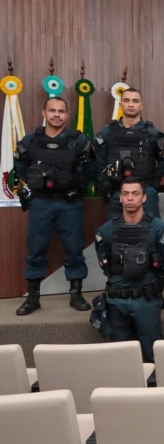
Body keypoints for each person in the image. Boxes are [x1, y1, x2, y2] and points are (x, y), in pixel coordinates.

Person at [14, 97, 95, 315]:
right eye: (52, 111)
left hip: (70, 202)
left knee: (74, 248)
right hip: (41, 202)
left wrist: (75, 185)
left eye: (61, 111)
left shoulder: (78, 140)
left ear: (67, 115)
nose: (57, 115)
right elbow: (20, 166)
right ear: (44, 113)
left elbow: (92, 168)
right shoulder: (30, 140)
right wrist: (36, 183)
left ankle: (76, 295)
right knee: (36, 248)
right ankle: (33, 298)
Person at [94, 177, 164, 362]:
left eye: (135, 193)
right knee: (120, 358)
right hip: (116, 301)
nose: (130, 198)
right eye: (126, 194)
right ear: (121, 198)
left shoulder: (159, 228)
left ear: (144, 198)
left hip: (146, 301)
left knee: (153, 356)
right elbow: (105, 263)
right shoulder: (106, 231)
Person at [94, 87, 164, 219]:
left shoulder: (153, 133)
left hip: (146, 191)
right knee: (116, 234)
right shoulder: (108, 132)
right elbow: (99, 161)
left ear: (141, 106)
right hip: (117, 191)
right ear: (120, 104)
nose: (130, 104)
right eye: (127, 100)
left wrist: (150, 177)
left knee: (151, 232)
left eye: (135, 101)